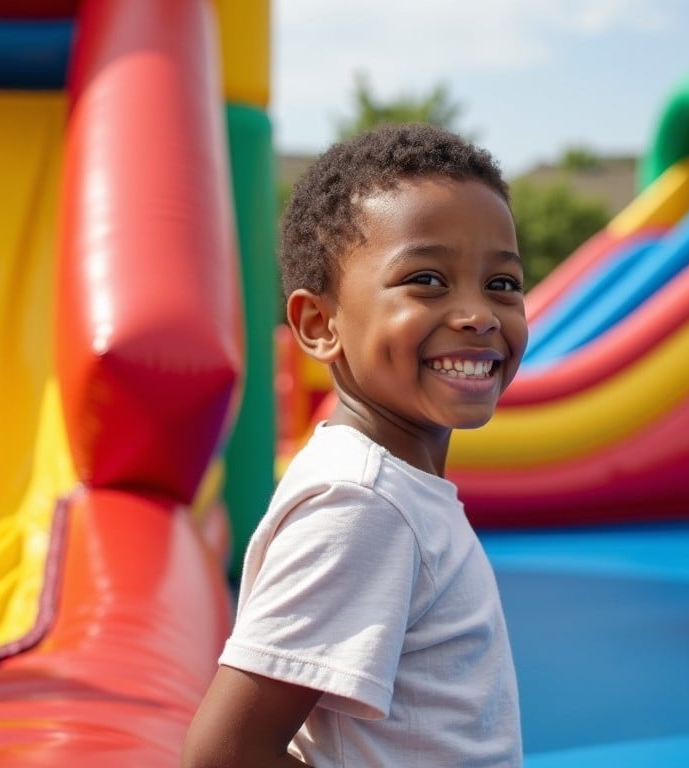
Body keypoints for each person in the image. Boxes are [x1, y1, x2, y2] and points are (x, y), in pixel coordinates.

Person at [182, 123, 527, 767]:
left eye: (502, 284)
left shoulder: (393, 489)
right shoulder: (363, 505)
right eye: (426, 279)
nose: (479, 313)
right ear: (319, 324)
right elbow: (224, 755)